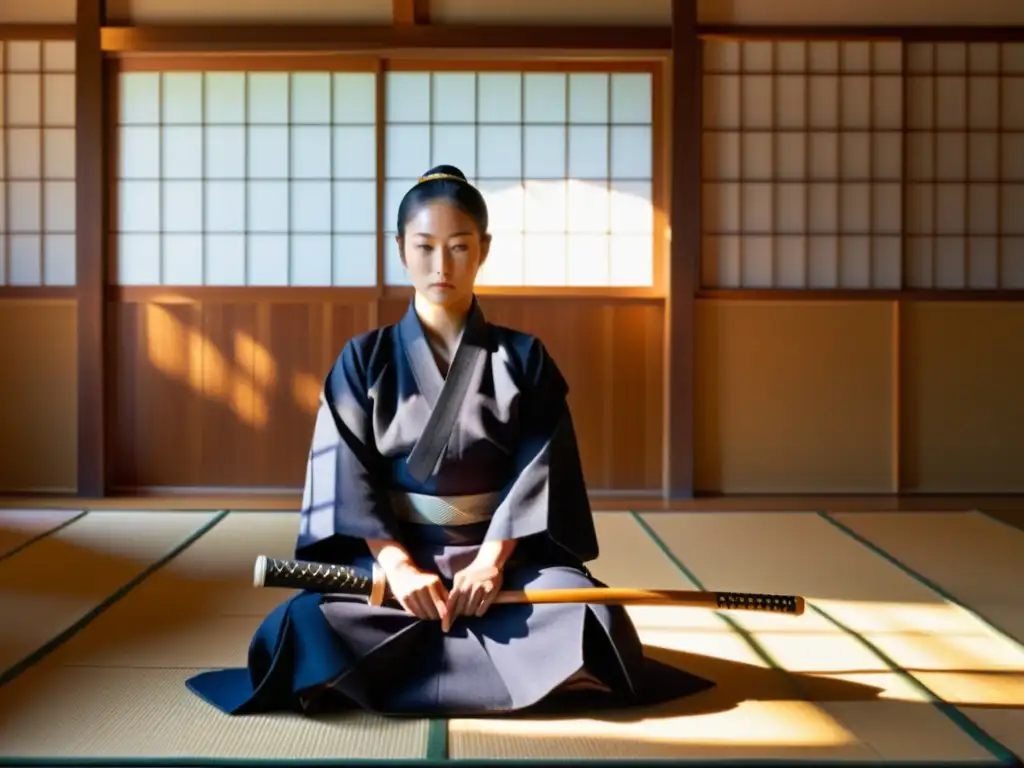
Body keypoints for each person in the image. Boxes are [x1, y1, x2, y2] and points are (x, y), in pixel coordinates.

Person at [186, 165, 713, 717]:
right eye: (425, 246)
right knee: (307, 619)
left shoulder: (524, 359)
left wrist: (490, 561)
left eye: (459, 246)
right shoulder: (363, 359)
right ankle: (544, 679)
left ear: (483, 249)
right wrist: (397, 565)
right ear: (400, 248)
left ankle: (364, 678)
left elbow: (539, 473)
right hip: (393, 562)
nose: (442, 265)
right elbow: (348, 477)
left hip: (500, 563)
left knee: (586, 611)